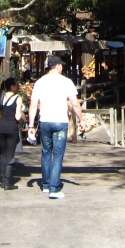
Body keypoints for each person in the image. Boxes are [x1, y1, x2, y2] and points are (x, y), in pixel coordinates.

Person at [27, 56, 85, 199]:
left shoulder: (39, 82)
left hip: (45, 121)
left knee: (46, 153)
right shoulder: (66, 82)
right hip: (60, 121)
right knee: (57, 155)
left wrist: (31, 125)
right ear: (58, 66)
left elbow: (33, 105)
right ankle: (54, 188)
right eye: (62, 65)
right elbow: (75, 103)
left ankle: (46, 185)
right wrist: (81, 119)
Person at [0, 77, 24, 191]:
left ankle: (2, 178)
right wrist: (22, 121)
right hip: (12, 128)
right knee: (10, 155)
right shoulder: (17, 98)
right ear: (12, 86)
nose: (18, 87)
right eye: (17, 84)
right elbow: (17, 116)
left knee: (3, 153)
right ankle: (7, 182)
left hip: (0, 128)